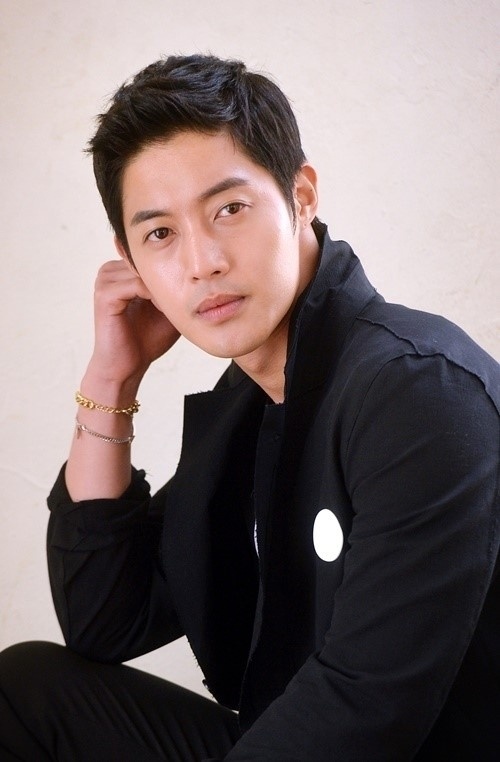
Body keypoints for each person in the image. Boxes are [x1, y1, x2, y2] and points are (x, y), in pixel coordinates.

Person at [0, 54, 498, 762]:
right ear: (131, 260)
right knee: (25, 692)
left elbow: (366, 708)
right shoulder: (254, 400)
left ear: (301, 195)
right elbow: (103, 621)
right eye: (160, 234)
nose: (201, 262)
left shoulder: (417, 391)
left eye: (229, 209)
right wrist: (113, 377)